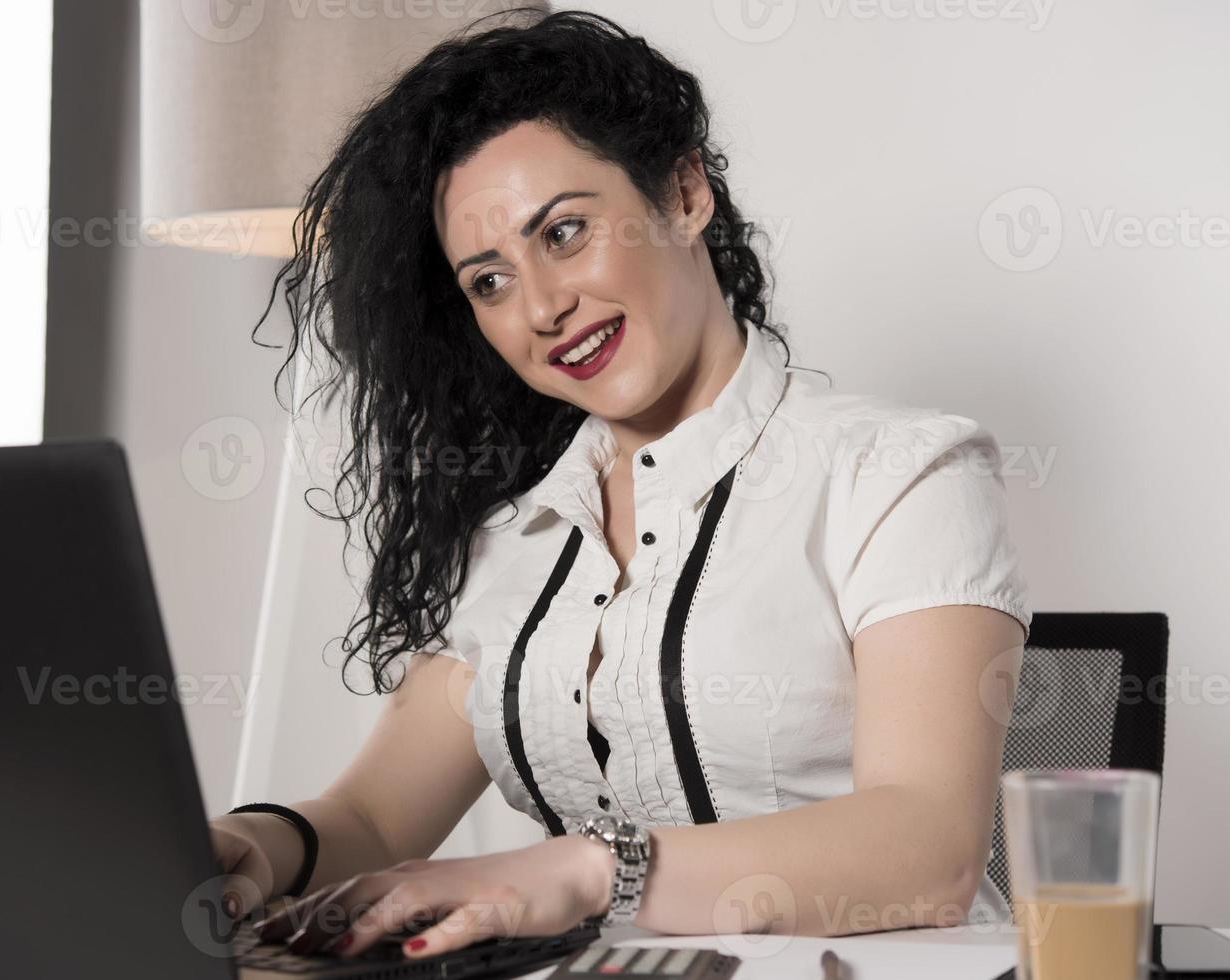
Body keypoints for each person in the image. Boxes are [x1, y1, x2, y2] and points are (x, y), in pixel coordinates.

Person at [212, 7, 1031, 961]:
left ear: (684, 195)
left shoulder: (900, 474)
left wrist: (585, 870)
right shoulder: (517, 539)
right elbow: (372, 818)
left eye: (564, 233)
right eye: (489, 281)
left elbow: (928, 848)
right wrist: (248, 845)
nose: (542, 308)